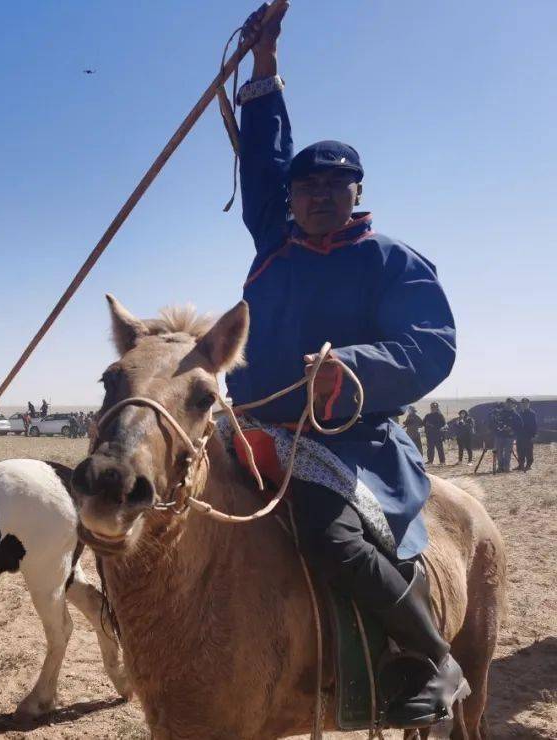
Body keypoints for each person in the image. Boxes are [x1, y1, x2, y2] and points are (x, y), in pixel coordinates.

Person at [227, 4, 462, 726]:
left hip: (342, 439)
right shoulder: (276, 241)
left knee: (329, 535)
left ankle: (435, 660)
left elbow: (433, 342)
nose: (318, 195)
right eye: (306, 187)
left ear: (357, 190)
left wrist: (352, 370)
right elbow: (265, 157)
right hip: (250, 421)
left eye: (335, 185)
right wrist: (264, 68)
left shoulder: (391, 261)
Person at [490, 399, 520, 473]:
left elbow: (519, 425)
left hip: (509, 436)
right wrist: (498, 427)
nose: (508, 405)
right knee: (499, 452)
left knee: (507, 452)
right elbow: (493, 422)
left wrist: (512, 429)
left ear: (513, 405)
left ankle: (507, 467)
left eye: (510, 403)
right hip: (499, 435)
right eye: (507, 403)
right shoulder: (499, 413)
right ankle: (500, 467)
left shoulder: (515, 414)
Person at [516, 398, 537, 471]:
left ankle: (529, 465)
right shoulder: (519, 413)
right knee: (519, 450)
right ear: (521, 404)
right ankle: (520, 465)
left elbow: (534, 425)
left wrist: (534, 435)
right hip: (519, 435)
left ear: (528, 404)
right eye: (523, 403)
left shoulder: (532, 413)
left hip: (528, 435)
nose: (524, 405)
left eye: (526, 403)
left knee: (529, 451)